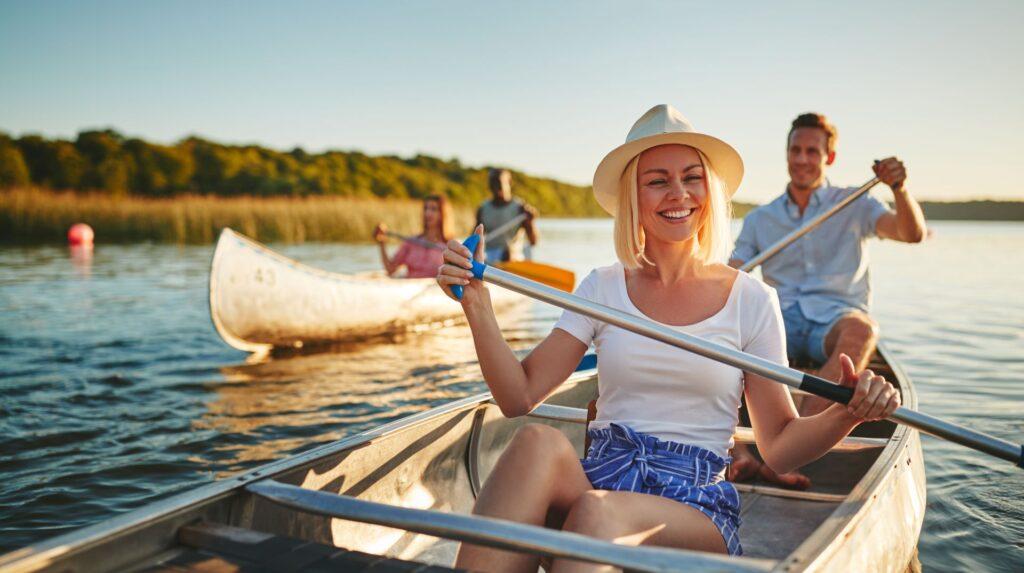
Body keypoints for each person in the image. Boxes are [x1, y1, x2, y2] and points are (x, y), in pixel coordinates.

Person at [437, 105, 899, 570]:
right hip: (603, 477)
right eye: (657, 180)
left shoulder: (752, 299)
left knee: (599, 513)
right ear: (633, 197)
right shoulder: (602, 287)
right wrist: (476, 303)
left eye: (691, 177)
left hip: (693, 505)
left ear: (709, 190)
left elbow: (778, 446)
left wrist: (846, 415)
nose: (678, 193)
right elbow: (518, 397)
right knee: (535, 442)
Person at [727, 113, 926, 487]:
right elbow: (733, 271)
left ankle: (790, 445)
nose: (802, 159)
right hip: (780, 318)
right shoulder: (761, 218)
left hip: (834, 320)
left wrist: (898, 188)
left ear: (828, 158)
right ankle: (737, 451)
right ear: (787, 154)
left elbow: (910, 233)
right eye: (795, 150)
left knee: (863, 330)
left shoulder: (855, 203)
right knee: (726, 329)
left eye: (812, 152)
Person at [373, 194, 453, 278]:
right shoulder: (411, 242)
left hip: (434, 288)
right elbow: (390, 269)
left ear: (443, 214)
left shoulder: (451, 246)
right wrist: (381, 243)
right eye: (426, 208)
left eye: (433, 209)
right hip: (410, 287)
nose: (427, 213)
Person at [477, 168, 539, 262]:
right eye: (492, 183)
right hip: (489, 256)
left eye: (498, 182)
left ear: (509, 183)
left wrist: (531, 222)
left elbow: (533, 241)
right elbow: (475, 238)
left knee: (507, 253)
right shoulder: (483, 209)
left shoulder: (520, 208)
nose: (495, 186)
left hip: (514, 257)